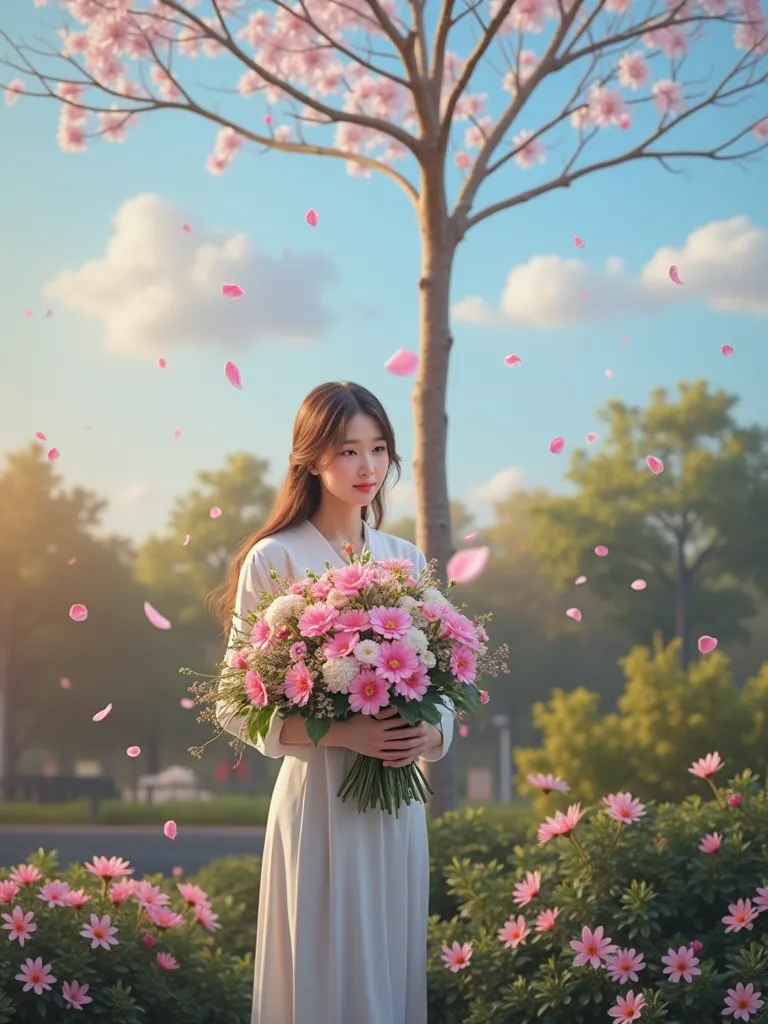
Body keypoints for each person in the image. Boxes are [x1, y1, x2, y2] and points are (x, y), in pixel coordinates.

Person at [209, 381, 454, 1024]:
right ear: (312, 458)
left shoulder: (405, 559)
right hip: (320, 802)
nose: (367, 467)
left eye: (378, 449)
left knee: (388, 969)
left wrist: (431, 735)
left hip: (396, 807)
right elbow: (236, 707)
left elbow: (445, 686)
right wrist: (347, 734)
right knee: (322, 969)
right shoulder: (278, 556)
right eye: (347, 451)